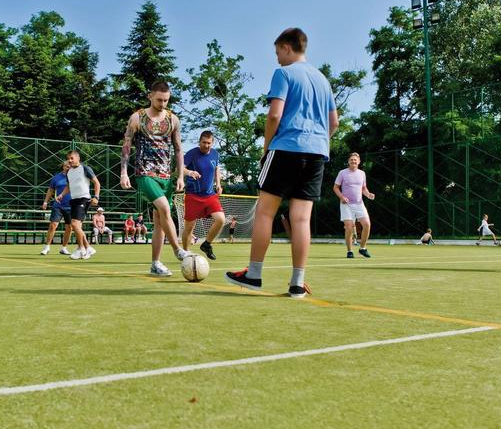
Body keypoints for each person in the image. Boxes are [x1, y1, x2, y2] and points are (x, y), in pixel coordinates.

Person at [226, 27, 338, 297]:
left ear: (287, 47)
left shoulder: (284, 73)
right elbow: (334, 122)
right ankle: (297, 283)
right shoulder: (323, 79)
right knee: (301, 219)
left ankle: (254, 274)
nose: (277, 58)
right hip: (317, 153)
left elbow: (274, 115)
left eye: (277, 52)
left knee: (265, 212)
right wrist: (317, 141)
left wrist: (266, 149)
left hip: (286, 148)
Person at [120, 81, 193, 276]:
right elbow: (126, 146)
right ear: (150, 96)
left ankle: (155, 264)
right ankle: (178, 250)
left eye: (166, 100)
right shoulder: (137, 117)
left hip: (166, 176)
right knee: (165, 208)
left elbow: (178, 149)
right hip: (145, 173)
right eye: (159, 100)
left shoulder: (173, 120)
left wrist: (180, 176)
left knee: (160, 221)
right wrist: (124, 172)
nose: (163, 103)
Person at [181, 130, 226, 260]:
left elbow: (216, 169)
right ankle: (185, 253)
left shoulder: (215, 154)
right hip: (193, 195)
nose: (206, 145)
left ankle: (206, 244)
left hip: (210, 195)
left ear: (212, 143)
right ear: (199, 141)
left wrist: (218, 184)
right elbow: (180, 168)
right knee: (189, 227)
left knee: (221, 219)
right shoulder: (191, 153)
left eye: (209, 143)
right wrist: (190, 172)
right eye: (204, 142)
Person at [56, 150, 100, 260]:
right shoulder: (69, 172)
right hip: (74, 200)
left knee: (74, 224)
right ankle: (88, 248)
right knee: (77, 226)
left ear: (78, 158)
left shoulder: (85, 168)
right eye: (68, 159)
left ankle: (81, 249)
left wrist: (96, 197)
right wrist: (61, 195)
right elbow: (68, 187)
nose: (70, 160)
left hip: (83, 199)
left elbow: (96, 183)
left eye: (72, 158)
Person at [333, 152, 376, 258]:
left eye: (355, 160)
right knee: (349, 227)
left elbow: (363, 188)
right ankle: (349, 251)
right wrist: (342, 197)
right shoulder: (342, 173)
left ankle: (362, 248)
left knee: (367, 224)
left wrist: (368, 194)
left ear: (359, 162)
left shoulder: (362, 173)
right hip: (346, 204)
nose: (353, 161)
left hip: (359, 204)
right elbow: (335, 187)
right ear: (348, 161)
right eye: (351, 159)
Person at [40, 160, 73, 255]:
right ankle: (47, 247)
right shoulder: (56, 177)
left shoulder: (74, 177)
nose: (69, 167)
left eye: (70, 166)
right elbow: (50, 190)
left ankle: (64, 248)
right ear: (63, 167)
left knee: (69, 227)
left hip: (71, 205)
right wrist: (45, 202)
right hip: (58, 205)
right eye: (67, 166)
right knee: (53, 225)